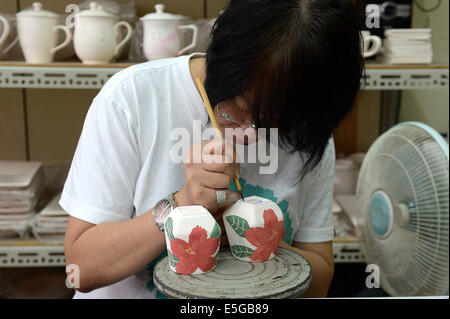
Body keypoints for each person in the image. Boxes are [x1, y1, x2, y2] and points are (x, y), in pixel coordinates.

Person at [62, 0, 363, 298]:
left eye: (276, 123)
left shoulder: (308, 130)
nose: (250, 136)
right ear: (222, 67)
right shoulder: (133, 98)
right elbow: (80, 269)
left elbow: (320, 281)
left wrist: (258, 240)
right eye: (239, 111)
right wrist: (181, 203)